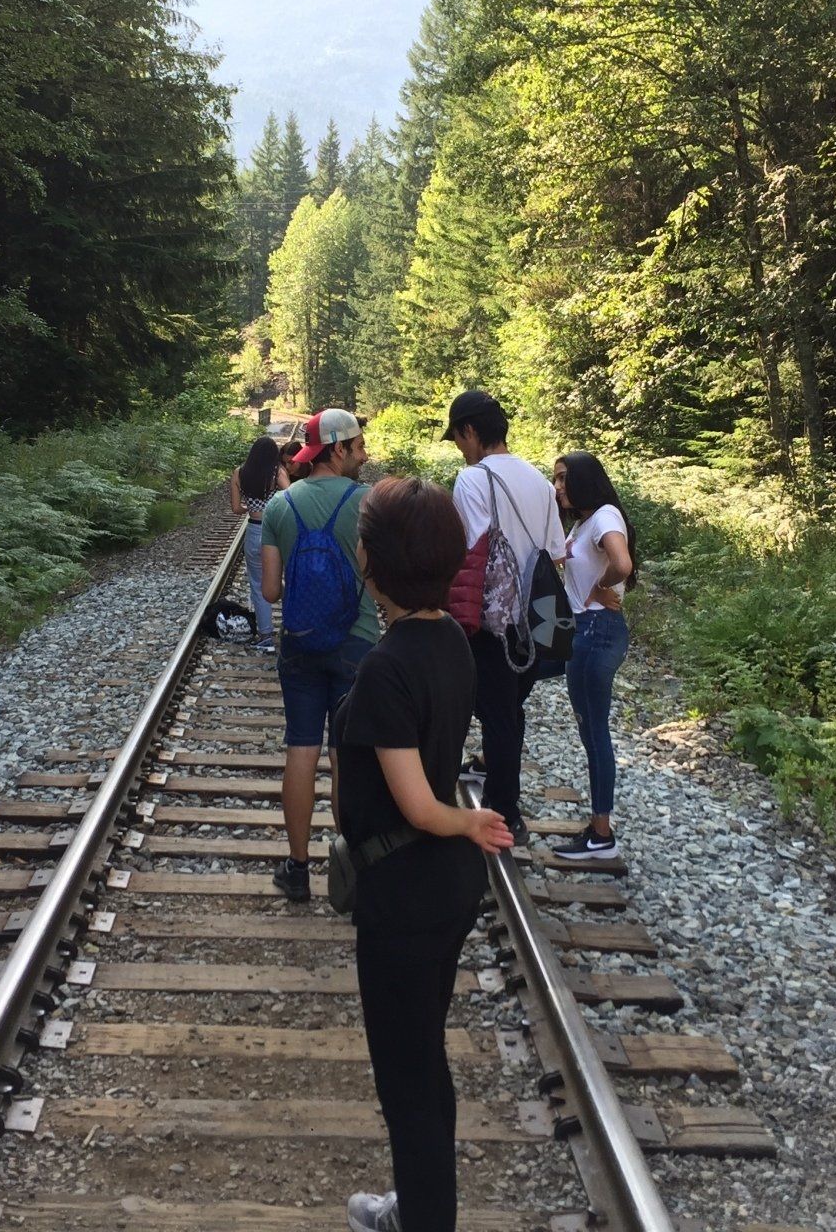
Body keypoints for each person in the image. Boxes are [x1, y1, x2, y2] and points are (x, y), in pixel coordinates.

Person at [335, 476, 513, 1232]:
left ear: (371, 560)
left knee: (405, 1078)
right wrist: (462, 826)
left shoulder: (385, 669)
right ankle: (419, 1206)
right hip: (443, 892)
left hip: (403, 894)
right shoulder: (448, 640)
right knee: (424, 1059)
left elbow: (414, 802)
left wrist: (461, 822)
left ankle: (422, 1221)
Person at [259, 408, 377, 901]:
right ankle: (352, 865)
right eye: (359, 444)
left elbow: (269, 592)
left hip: (301, 642)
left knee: (301, 750)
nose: (365, 453)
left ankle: (297, 868)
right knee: (346, 756)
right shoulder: (369, 504)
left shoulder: (280, 507)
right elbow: (379, 579)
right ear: (337, 449)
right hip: (358, 642)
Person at [444, 390, 565, 847]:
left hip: (491, 619)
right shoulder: (539, 481)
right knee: (508, 709)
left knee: (492, 712)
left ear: (471, 431)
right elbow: (555, 552)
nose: (459, 446)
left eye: (458, 436)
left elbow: (470, 550)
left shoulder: (472, 481)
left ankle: (504, 812)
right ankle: (502, 797)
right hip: (536, 619)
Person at [549, 452, 638, 860]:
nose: (559, 486)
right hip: (586, 630)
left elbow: (621, 563)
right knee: (590, 731)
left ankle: (601, 834)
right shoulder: (587, 520)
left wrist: (603, 586)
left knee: (596, 733)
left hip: (597, 629)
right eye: (556, 480)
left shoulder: (603, 516)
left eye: (564, 478)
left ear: (586, 478)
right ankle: (599, 828)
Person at [229, 436, 289, 652]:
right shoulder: (277, 472)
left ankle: (265, 636)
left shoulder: (239, 472)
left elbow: (236, 508)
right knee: (288, 576)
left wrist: (252, 507)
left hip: (254, 530)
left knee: (258, 583)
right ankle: (294, 625)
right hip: (277, 531)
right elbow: (291, 496)